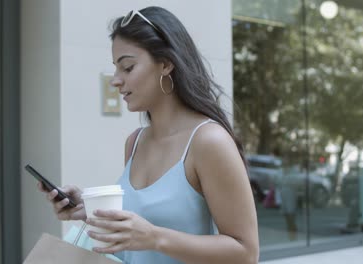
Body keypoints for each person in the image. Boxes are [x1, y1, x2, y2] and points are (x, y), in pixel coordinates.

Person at [38, 6, 259, 264]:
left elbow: (246, 253)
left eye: (128, 67)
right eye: (116, 68)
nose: (116, 80)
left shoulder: (209, 142)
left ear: (165, 64)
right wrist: (87, 209)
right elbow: (136, 231)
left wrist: (154, 237)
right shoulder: (134, 142)